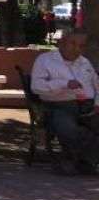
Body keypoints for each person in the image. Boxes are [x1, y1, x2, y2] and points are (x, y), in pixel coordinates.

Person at [30, 31, 99, 174]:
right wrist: (64, 84)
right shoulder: (45, 60)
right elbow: (36, 86)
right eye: (72, 44)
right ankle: (83, 160)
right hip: (58, 106)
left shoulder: (84, 62)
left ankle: (81, 162)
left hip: (88, 106)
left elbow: (97, 86)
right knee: (69, 129)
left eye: (81, 46)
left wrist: (98, 103)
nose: (77, 49)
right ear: (61, 43)